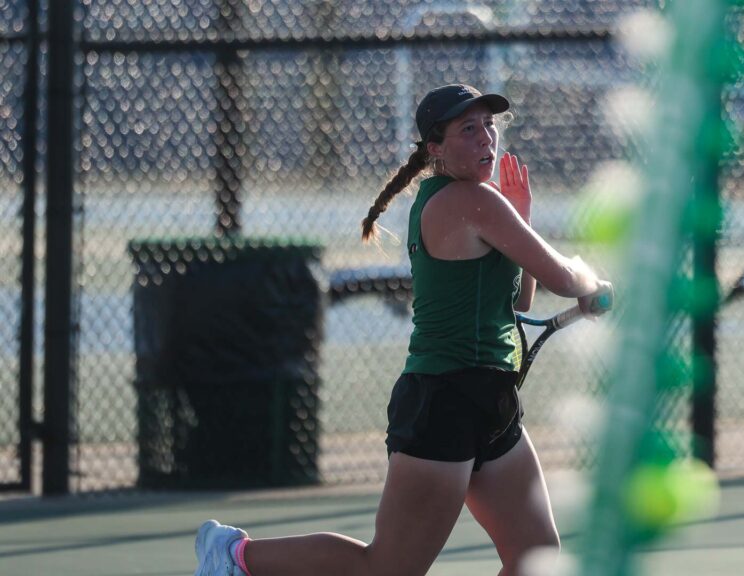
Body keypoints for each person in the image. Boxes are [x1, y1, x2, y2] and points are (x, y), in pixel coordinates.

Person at [194, 83, 613, 576]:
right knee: (387, 568)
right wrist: (592, 282)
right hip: (445, 401)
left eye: (489, 125)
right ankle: (234, 556)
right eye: (468, 129)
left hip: (493, 400)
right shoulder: (467, 200)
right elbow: (563, 279)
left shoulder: (480, 203)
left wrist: (521, 218)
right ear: (435, 148)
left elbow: (518, 302)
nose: (486, 138)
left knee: (532, 554)